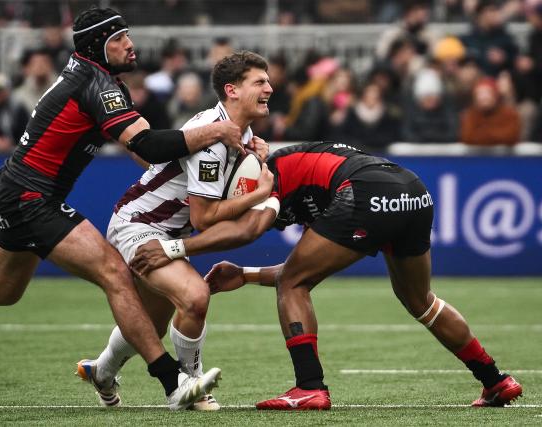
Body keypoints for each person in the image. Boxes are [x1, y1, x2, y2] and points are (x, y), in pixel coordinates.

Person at [0, 6, 246, 410]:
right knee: (115, 272)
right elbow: (149, 145)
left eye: (127, 35)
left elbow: (144, 152)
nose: (129, 44)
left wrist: (182, 173)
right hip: (31, 196)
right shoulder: (99, 86)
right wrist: (218, 131)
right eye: (118, 39)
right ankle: (174, 385)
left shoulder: (95, 79)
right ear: (97, 45)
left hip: (15, 189)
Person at [130, 141, 523, 410]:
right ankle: (495, 380)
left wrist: (175, 247)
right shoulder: (293, 176)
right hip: (412, 190)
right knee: (421, 301)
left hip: (367, 191)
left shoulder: (264, 181)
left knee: (293, 284)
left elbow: (250, 237)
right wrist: (246, 275)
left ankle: (310, 388)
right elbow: (307, 267)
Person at [76, 51, 274, 411]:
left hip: (164, 231)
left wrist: (255, 158)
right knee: (195, 296)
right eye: (259, 82)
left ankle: (101, 371)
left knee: (149, 320)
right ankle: (188, 388)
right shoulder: (213, 137)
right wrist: (260, 193)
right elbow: (203, 217)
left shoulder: (240, 133)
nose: (269, 88)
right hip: (138, 225)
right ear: (231, 90)